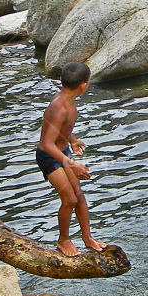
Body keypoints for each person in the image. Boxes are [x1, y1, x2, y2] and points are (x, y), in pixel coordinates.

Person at [35, 62, 106, 257]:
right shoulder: (59, 107)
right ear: (84, 85)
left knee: (79, 196)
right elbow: (47, 144)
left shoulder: (67, 100)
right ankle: (63, 240)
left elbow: (59, 128)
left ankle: (87, 238)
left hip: (62, 151)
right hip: (49, 157)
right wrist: (72, 164)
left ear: (61, 80)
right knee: (69, 200)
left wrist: (72, 140)